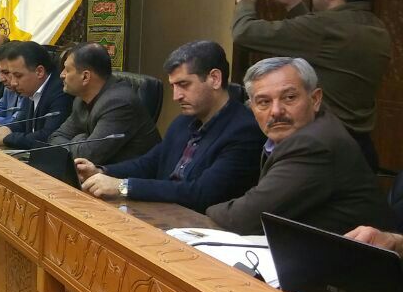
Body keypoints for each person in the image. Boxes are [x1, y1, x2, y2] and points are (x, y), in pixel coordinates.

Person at [232, 0, 391, 168]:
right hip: (360, 146)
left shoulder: (325, 28)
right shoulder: (376, 27)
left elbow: (244, 33)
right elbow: (321, 49)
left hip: (324, 149)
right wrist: (294, 3)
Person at [206, 57, 394, 235]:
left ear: (315, 99)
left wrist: (207, 210)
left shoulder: (313, 144)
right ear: (252, 108)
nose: (276, 111)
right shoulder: (306, 130)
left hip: (353, 256)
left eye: (289, 97)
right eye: (264, 102)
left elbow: (245, 217)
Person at [75, 40, 266, 212]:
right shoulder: (183, 121)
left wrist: (123, 186)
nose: (176, 96)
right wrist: (101, 171)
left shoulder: (244, 130)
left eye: (184, 84)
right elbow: (150, 163)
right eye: (173, 86)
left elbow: (201, 194)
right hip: (164, 216)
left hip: (203, 228)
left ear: (214, 79)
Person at [46, 43, 161, 165]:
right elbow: (54, 138)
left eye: (67, 70)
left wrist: (79, 138)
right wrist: (82, 141)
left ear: (85, 77)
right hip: (99, 172)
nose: (61, 75)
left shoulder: (118, 103)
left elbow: (87, 156)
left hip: (129, 175)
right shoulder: (81, 100)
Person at [0, 40, 71, 149]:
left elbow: (48, 137)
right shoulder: (31, 88)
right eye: (12, 75)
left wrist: (8, 138)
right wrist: (2, 130)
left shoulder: (60, 92)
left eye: (18, 76)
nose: (13, 82)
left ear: (39, 72)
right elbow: (22, 123)